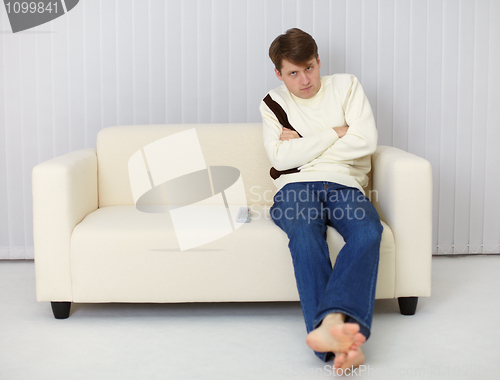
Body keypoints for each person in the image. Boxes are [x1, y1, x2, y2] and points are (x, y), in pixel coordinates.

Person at [259, 28, 383, 371]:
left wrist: (302, 145)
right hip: (296, 187)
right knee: (304, 233)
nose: (304, 80)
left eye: (309, 68)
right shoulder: (273, 102)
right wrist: (335, 132)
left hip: (345, 184)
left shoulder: (346, 86)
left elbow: (366, 141)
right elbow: (281, 160)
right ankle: (340, 345)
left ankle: (330, 328)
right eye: (293, 73)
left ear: (318, 61)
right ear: (279, 73)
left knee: (368, 232)